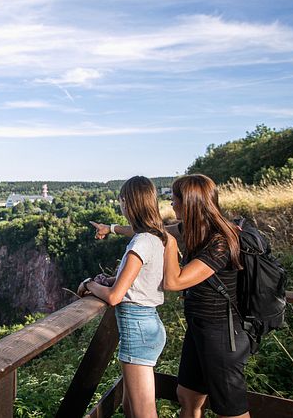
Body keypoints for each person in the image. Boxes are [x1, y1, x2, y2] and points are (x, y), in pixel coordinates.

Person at [77, 176, 168, 418]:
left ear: (128, 203)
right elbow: (137, 281)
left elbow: (115, 297)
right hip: (148, 324)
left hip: (137, 327)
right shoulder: (157, 237)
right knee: (131, 408)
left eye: (122, 201)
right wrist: (110, 279)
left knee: (142, 414)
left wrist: (89, 284)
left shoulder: (140, 242)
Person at [161, 174, 251, 418]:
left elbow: (174, 282)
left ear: (189, 203)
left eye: (174, 199)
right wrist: (113, 228)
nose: (171, 204)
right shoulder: (196, 230)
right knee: (187, 396)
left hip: (222, 334)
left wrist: (169, 244)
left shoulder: (220, 241)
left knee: (230, 410)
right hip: (199, 329)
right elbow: (155, 231)